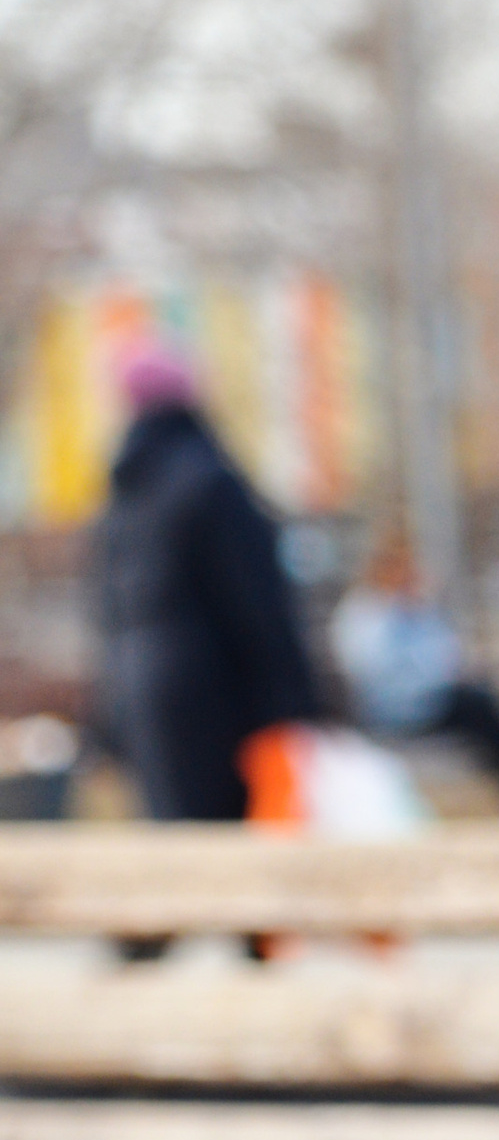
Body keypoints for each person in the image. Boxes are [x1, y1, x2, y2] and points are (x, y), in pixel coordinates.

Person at [89, 345, 322, 821]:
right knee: (229, 836)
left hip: (140, 694)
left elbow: (103, 610)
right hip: (214, 690)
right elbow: (255, 597)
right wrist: (295, 699)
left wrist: (109, 711)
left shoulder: (123, 491)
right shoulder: (207, 479)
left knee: (177, 836)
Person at [331, 537, 499, 805]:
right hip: (395, 710)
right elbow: (372, 673)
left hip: (435, 701)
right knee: (480, 709)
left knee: (490, 711)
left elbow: (447, 656)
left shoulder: (420, 609)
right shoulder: (364, 614)